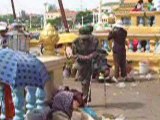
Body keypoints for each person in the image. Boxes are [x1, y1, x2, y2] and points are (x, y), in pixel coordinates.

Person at [72, 25, 99, 104]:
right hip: (80, 62)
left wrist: (91, 55)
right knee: (83, 80)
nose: (85, 40)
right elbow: (74, 54)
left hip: (91, 62)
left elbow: (98, 51)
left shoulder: (95, 40)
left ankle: (85, 97)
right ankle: (86, 97)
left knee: (87, 81)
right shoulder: (76, 42)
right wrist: (83, 57)